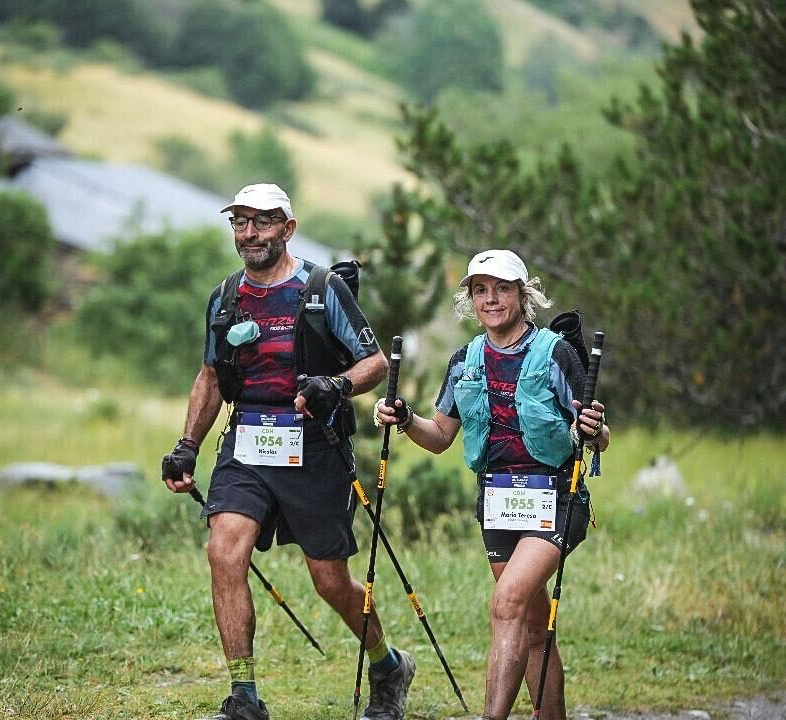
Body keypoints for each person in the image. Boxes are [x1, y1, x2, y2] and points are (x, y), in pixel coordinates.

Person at [161, 183, 415, 720]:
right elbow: (210, 375)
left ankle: (387, 664)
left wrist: (336, 386)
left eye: (262, 222)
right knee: (224, 551)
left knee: (328, 580)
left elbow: (374, 363)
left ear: (288, 228)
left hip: (315, 447)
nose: (249, 233)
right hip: (247, 442)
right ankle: (244, 698)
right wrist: (187, 446)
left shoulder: (322, 289)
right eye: (240, 222)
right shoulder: (226, 295)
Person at [375, 249, 610, 720]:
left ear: (523, 295)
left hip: (556, 497)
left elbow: (597, 435)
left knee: (506, 604)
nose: (491, 299)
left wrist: (596, 430)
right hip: (499, 505)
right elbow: (440, 436)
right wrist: (404, 418)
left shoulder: (555, 352)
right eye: (480, 290)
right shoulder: (465, 360)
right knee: (533, 628)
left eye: (502, 288)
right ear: (471, 300)